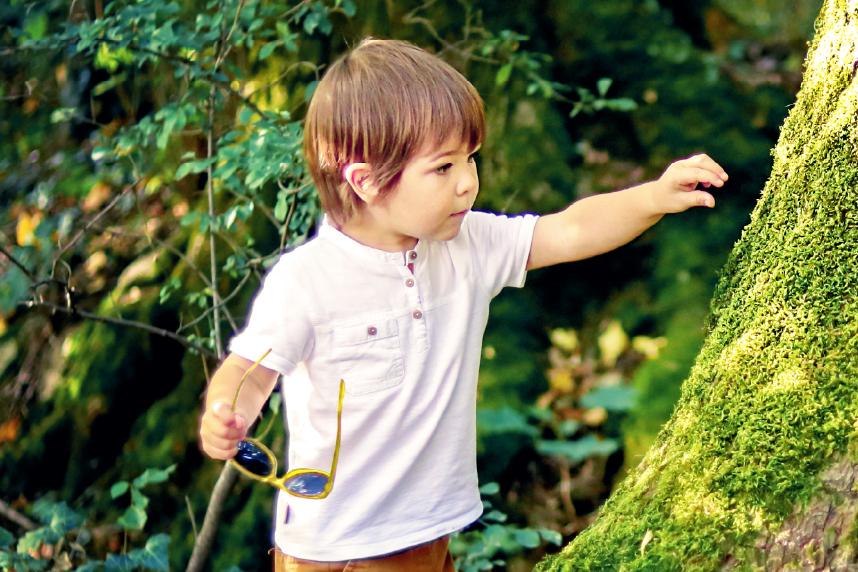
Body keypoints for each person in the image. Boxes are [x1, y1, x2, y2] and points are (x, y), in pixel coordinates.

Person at [198, 38, 728, 570]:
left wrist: (653, 197)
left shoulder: (467, 244)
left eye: (470, 159)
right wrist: (229, 413)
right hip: (342, 551)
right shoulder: (309, 280)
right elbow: (250, 369)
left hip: (432, 536)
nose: (469, 183)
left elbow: (568, 232)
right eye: (443, 168)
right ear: (365, 182)